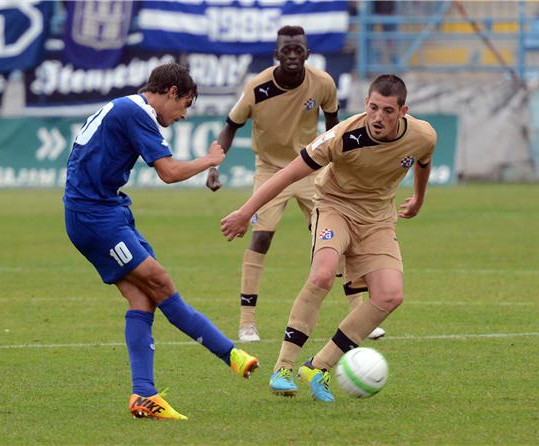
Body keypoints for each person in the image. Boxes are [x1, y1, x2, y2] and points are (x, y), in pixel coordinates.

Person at [221, 74, 436, 402]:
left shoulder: (423, 135)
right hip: (335, 206)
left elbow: (423, 160)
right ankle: (284, 366)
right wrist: (244, 211)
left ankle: (318, 366)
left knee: (390, 296)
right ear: (366, 104)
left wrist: (419, 198)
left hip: (378, 217)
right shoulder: (344, 136)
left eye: (388, 111)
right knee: (322, 275)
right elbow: (288, 174)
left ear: (403, 111)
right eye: (373, 107)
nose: (378, 117)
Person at [64, 63, 259, 420]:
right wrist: (209, 160)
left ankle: (144, 395)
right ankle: (230, 353)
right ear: (171, 92)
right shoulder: (136, 112)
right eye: (184, 104)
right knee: (160, 282)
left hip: (104, 209)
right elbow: (168, 173)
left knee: (143, 297)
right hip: (95, 216)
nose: (184, 115)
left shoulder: (125, 107)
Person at [207, 25, 384, 342]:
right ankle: (247, 322)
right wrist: (214, 164)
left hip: (311, 168)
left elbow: (334, 128)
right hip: (270, 170)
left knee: (334, 235)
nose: (291, 54)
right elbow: (231, 125)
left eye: (297, 49)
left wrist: (340, 167)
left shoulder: (323, 83)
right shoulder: (258, 88)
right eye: (286, 49)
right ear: (276, 54)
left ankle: (359, 312)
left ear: (307, 53)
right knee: (261, 238)